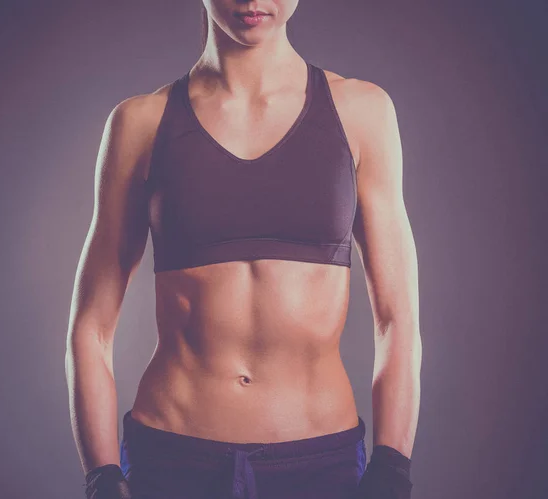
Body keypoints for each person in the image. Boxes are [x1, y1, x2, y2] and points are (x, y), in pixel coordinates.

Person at [65, 1, 422, 498]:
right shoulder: (140, 122)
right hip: (172, 457)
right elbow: (91, 326)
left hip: (321, 463)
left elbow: (397, 318)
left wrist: (391, 467)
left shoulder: (362, 111)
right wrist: (102, 475)